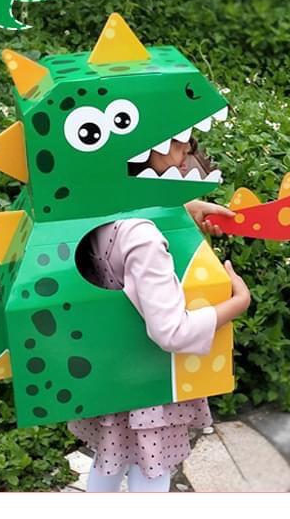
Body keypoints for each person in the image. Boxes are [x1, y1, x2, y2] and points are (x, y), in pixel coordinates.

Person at [68, 137, 251, 493]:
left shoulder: (95, 198)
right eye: (179, 142)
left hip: (112, 372)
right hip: (151, 384)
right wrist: (237, 303)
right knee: (151, 472)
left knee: (109, 460)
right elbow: (171, 332)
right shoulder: (143, 239)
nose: (188, 152)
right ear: (147, 147)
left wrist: (183, 209)